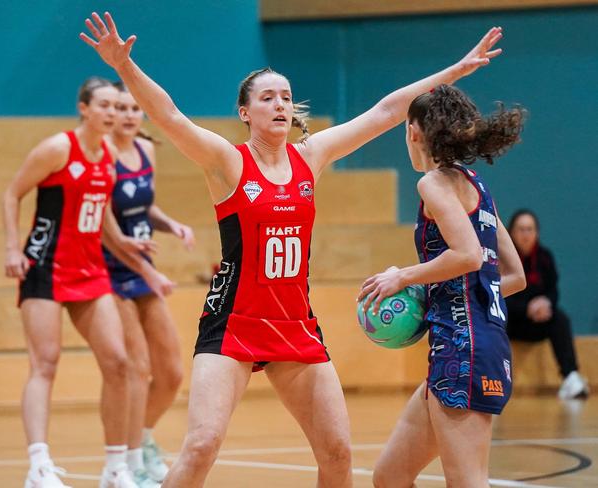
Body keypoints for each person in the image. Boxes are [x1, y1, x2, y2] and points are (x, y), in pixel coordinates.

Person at [81, 12, 504, 487]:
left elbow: (387, 111)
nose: (279, 104)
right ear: (246, 113)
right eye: (267, 98)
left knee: (338, 454)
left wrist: (454, 71)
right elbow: (170, 115)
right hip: (234, 323)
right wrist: (125, 67)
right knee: (201, 446)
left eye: (285, 97)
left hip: (293, 324)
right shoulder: (227, 161)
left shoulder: (311, 156)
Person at [3, 77, 173, 488]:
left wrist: (126, 247)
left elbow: (101, 219)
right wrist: (12, 249)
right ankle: (39, 465)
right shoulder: (58, 148)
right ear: (84, 108)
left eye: (118, 107)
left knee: (118, 364)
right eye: (105, 106)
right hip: (45, 265)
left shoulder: (109, 154)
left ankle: (116, 468)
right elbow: (12, 194)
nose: (113, 114)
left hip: (90, 269)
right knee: (45, 363)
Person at [358, 85, 527, 487]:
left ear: (414, 132)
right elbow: (515, 276)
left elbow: (468, 255)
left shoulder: (433, 184)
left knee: (466, 481)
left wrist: (404, 277)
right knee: (391, 476)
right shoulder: (476, 185)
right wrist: (450, 297)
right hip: (463, 346)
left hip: (463, 353)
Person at [105, 82, 195, 486]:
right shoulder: (102, 155)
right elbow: (107, 225)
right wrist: (144, 267)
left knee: (172, 372)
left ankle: (141, 440)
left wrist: (170, 223)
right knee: (137, 369)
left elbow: (144, 203)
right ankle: (127, 461)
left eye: (134, 108)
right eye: (120, 108)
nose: (127, 115)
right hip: (110, 269)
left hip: (142, 266)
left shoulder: (145, 150)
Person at [506, 209, 589, 399]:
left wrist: (546, 303)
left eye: (530, 229)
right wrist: (526, 308)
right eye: (521, 229)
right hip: (511, 321)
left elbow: (553, 290)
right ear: (511, 232)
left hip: (537, 322)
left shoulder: (544, 257)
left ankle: (571, 377)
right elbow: (497, 294)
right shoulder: (503, 258)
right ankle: (493, 377)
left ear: (537, 233)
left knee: (560, 319)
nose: (526, 235)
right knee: (494, 319)